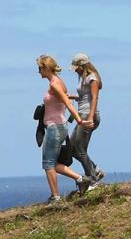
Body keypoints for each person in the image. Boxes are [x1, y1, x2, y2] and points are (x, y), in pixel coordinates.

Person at [37, 55, 94, 203]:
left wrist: (80, 121)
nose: (38, 72)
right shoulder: (58, 81)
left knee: (48, 164)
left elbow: (67, 104)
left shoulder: (54, 84)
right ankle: (81, 179)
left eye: (39, 68)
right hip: (59, 126)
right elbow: (65, 98)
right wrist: (74, 97)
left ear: (45, 68)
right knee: (53, 164)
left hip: (54, 127)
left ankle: (55, 197)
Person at [68, 54, 107, 185]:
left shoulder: (93, 78)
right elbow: (84, 97)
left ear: (82, 65)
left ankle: (92, 180)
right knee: (72, 149)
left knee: (81, 149)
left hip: (89, 115)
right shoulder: (83, 78)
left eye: (76, 68)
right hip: (82, 115)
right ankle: (95, 170)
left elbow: (94, 98)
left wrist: (90, 117)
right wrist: (72, 97)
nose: (75, 71)